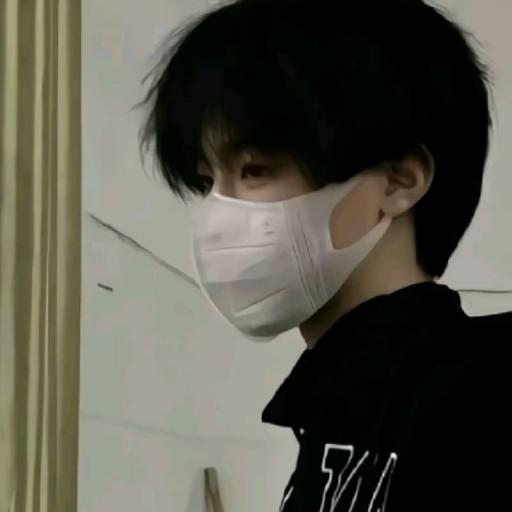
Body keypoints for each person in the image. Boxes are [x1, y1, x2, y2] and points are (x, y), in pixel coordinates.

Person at [134, 0, 511, 509]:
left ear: (399, 181)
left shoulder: (484, 393)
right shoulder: (332, 409)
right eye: (205, 182)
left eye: (254, 170)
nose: (216, 213)